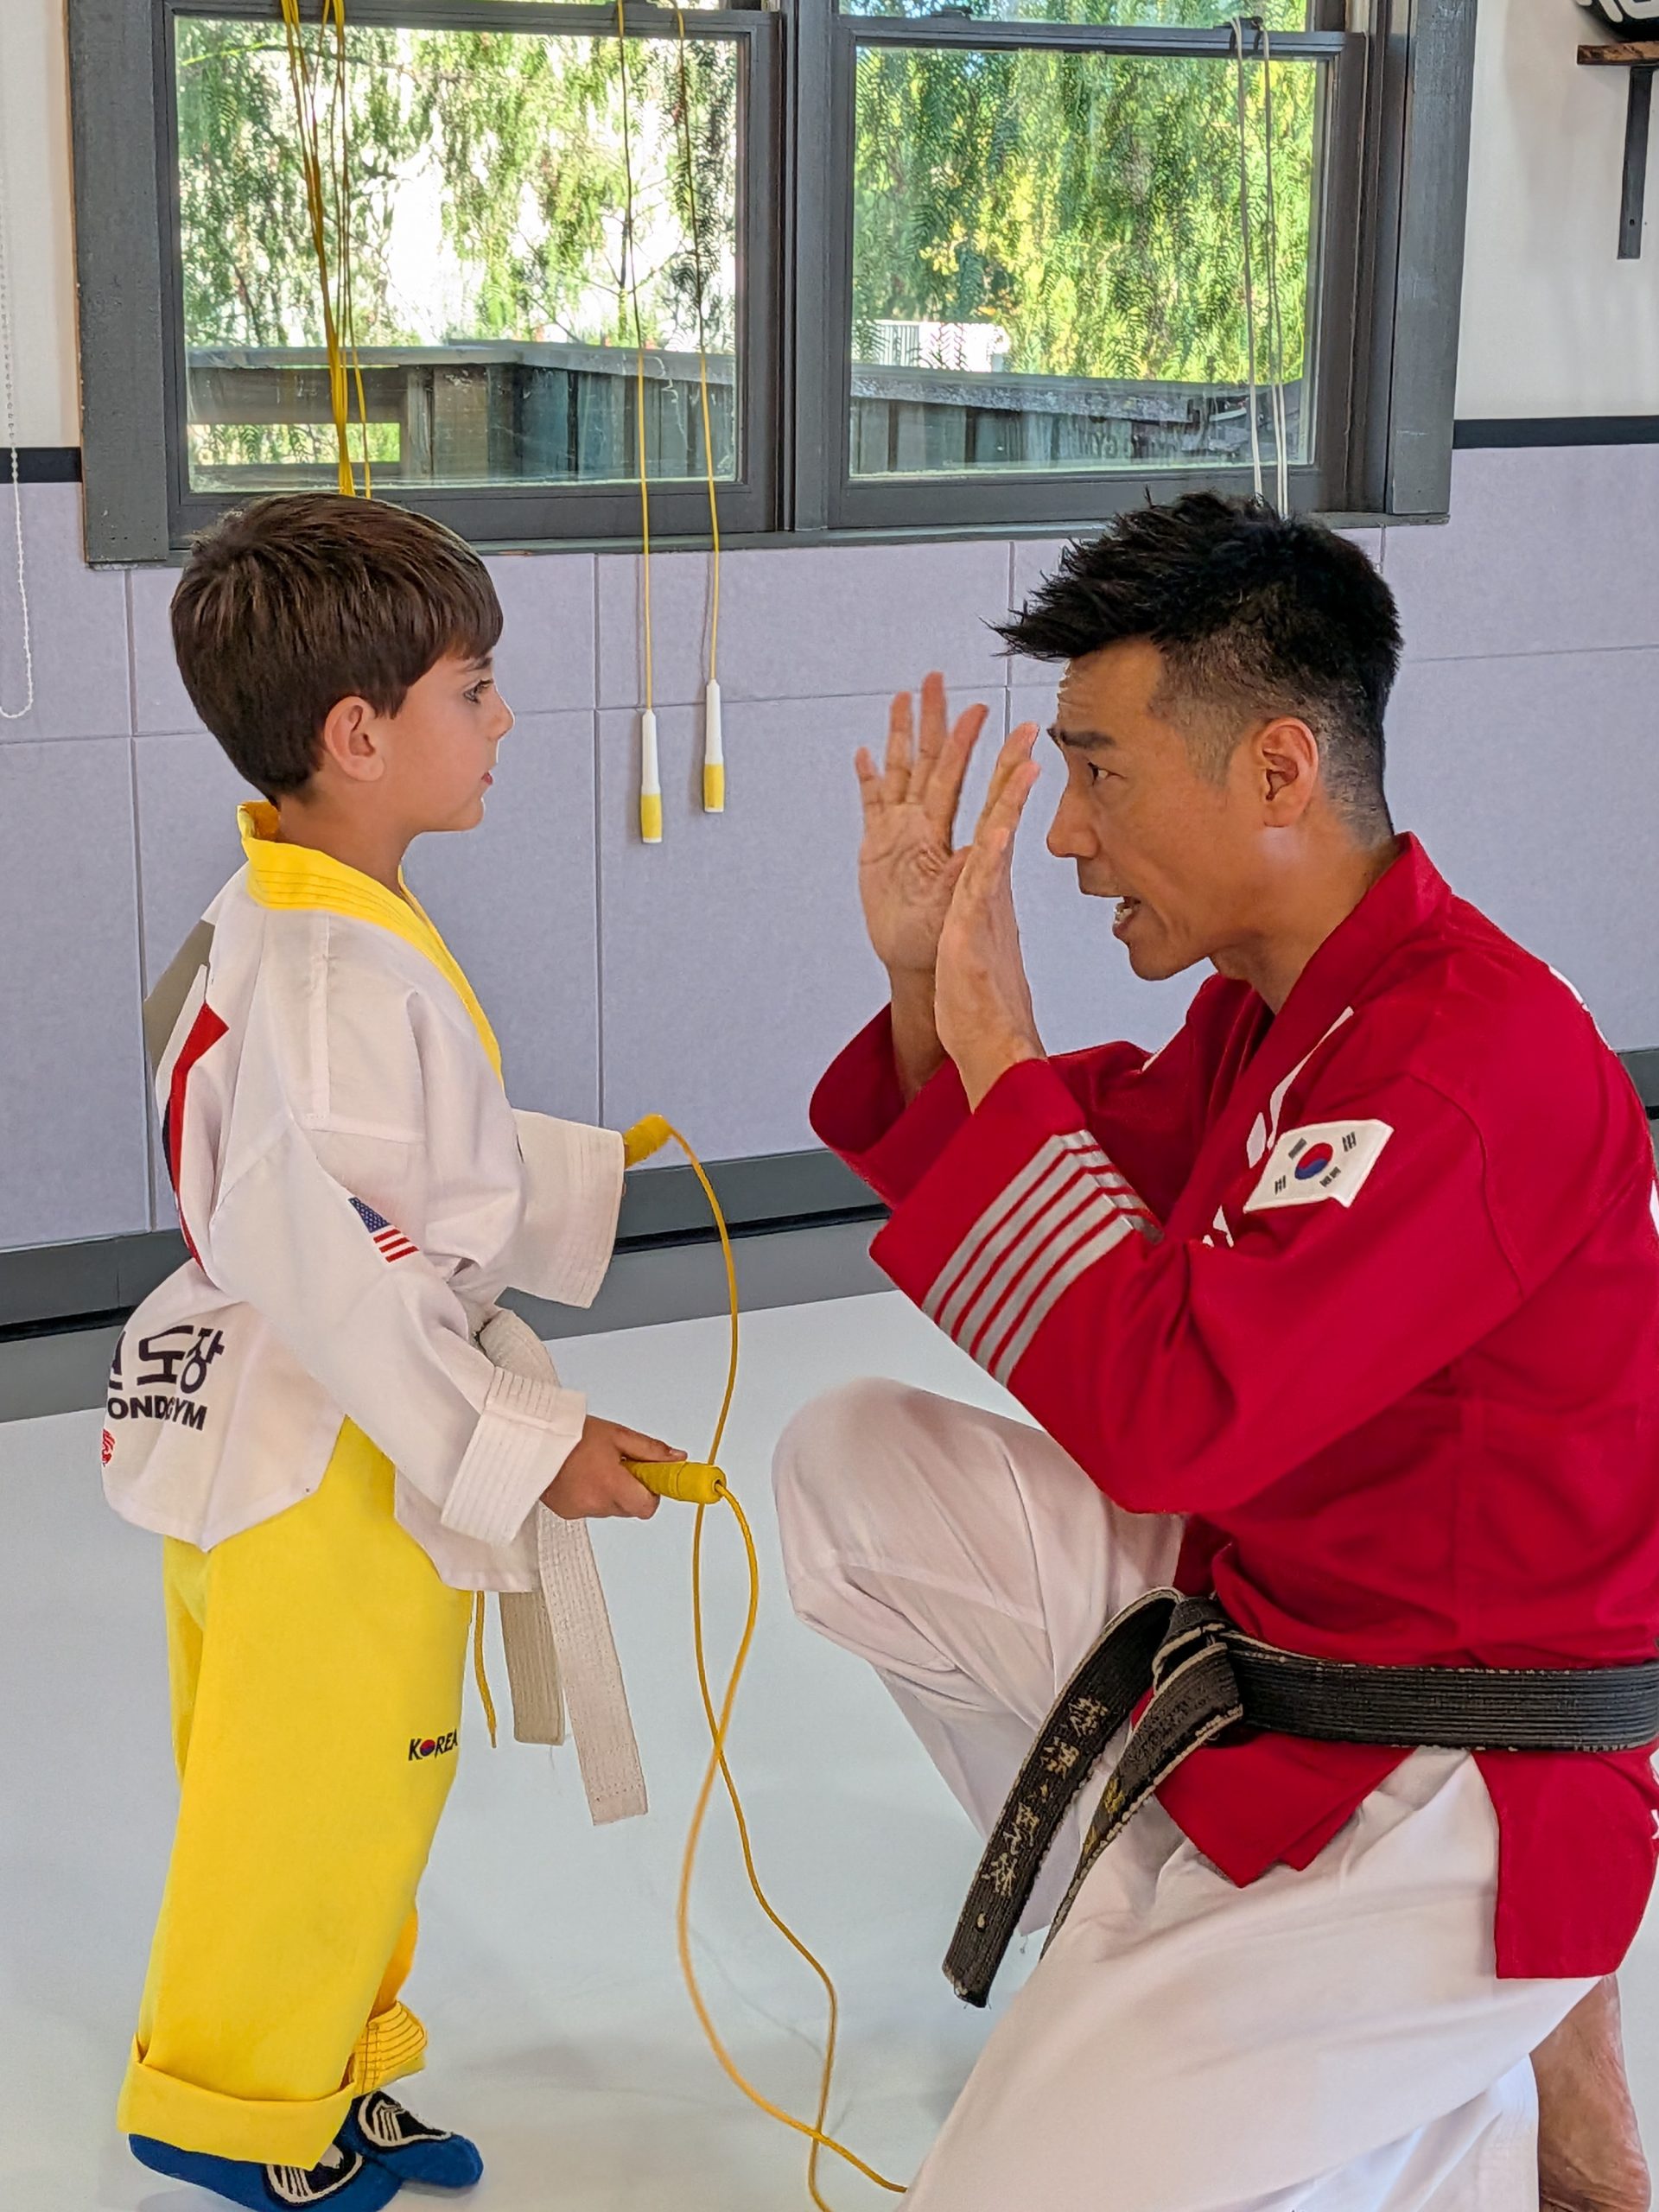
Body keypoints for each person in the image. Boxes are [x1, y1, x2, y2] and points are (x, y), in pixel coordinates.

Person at [774, 494, 1659, 2212]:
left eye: (1099, 773)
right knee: (852, 1468)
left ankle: (1477, 2054)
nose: (1074, 839)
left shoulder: (1469, 1061)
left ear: (1274, 771)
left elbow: (1175, 1420)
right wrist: (921, 997)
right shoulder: (1291, 997)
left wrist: (1006, 1041)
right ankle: (1165, 1903)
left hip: (1452, 1775)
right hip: (1277, 1641)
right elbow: (1103, 1164)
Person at [104, 494, 681, 2211]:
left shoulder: (277, 905)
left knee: (333, 1797)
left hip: (263, 1429)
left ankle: (328, 2080)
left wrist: (558, 1171)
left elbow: (347, 1177)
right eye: (472, 688)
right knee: (314, 1811)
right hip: (331, 1459)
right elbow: (353, 1275)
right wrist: (530, 1440)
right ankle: (236, 2118)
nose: (501, 720)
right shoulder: (341, 978)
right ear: (358, 736)